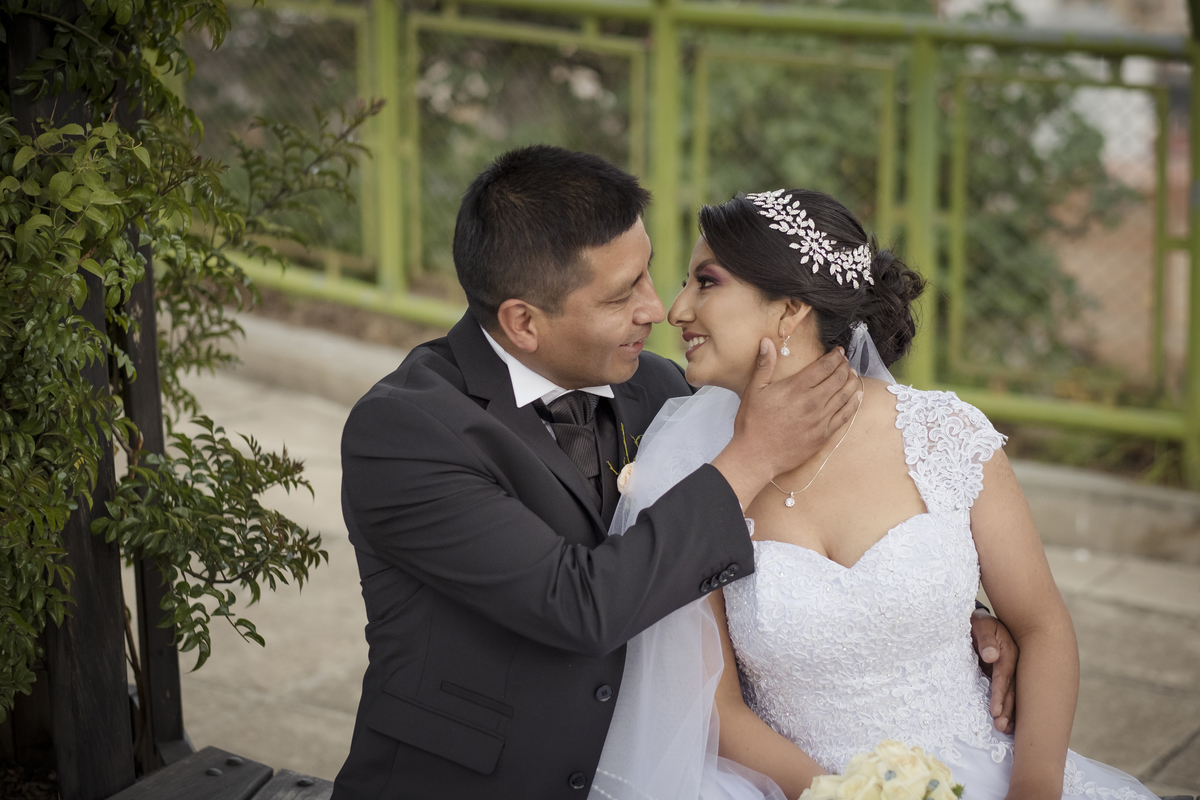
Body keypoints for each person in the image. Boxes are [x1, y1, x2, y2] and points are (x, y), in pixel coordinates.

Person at [332, 147, 1016, 799]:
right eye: (623, 294)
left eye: (651, 273)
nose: (658, 309)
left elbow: (798, 533)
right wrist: (748, 457)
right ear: (523, 323)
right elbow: (577, 607)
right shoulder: (405, 433)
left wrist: (946, 608)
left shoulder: (658, 389)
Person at [593, 188, 1157, 800]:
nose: (675, 310)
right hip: (794, 786)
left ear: (790, 309)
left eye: (706, 283)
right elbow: (719, 710)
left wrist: (1034, 788)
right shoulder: (690, 478)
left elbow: (1043, 625)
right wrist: (854, 794)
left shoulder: (945, 436)